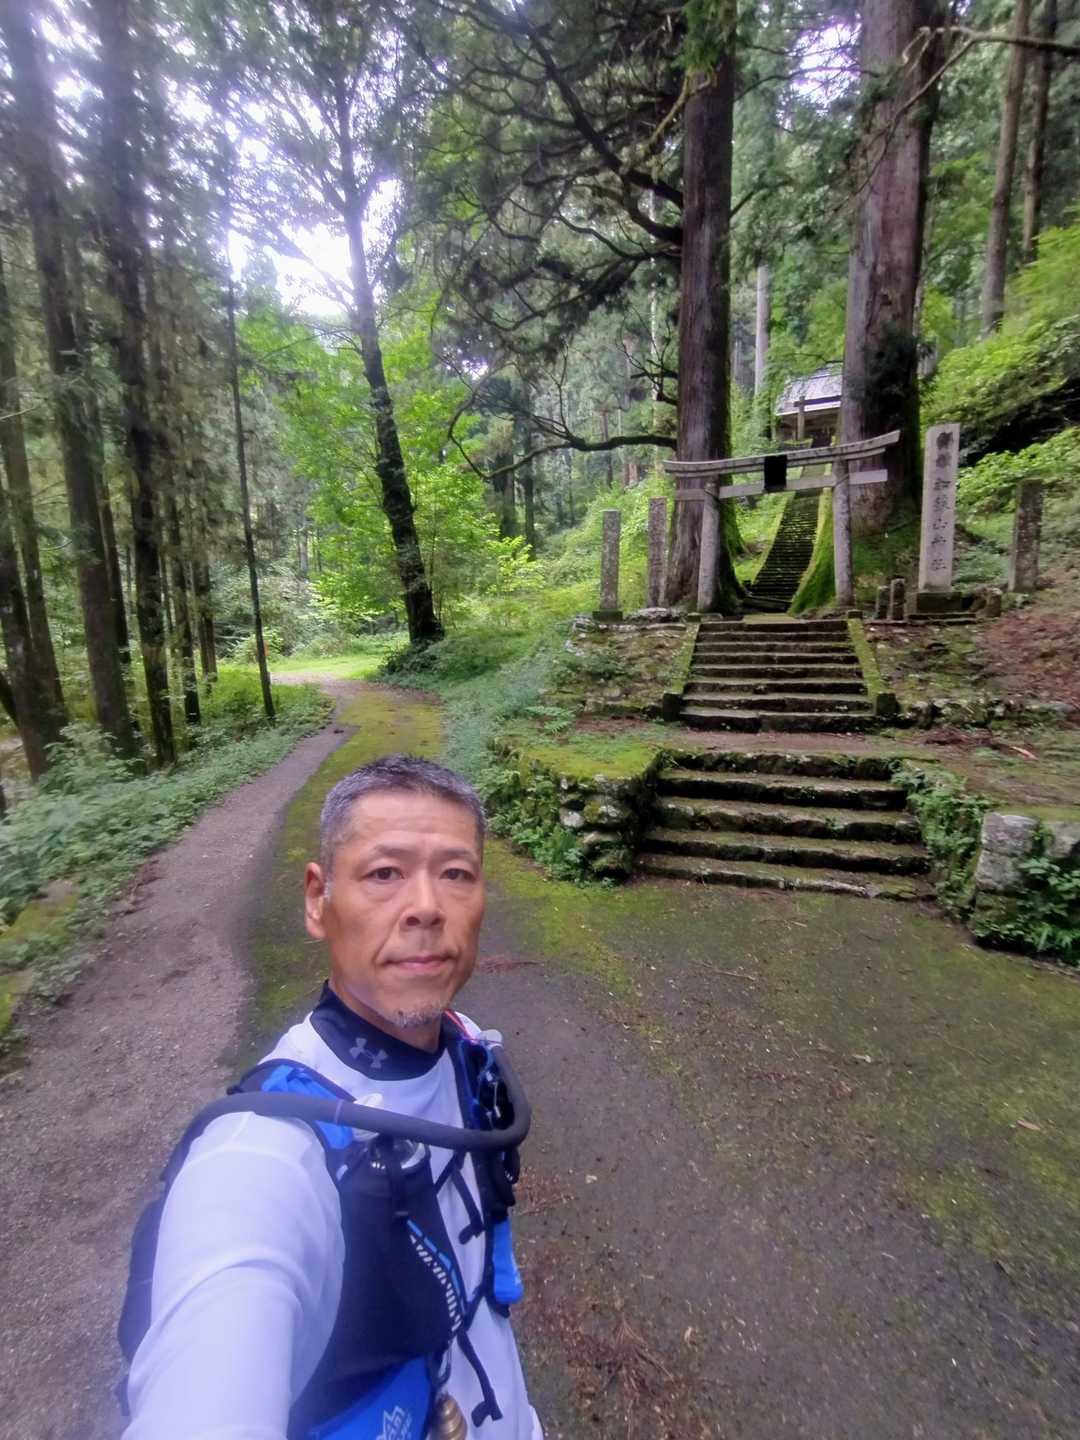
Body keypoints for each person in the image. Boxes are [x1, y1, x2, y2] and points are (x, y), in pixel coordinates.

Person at [121, 754, 540, 1439]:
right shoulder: (261, 1159)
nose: (427, 907)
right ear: (318, 900)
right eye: (385, 873)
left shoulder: (465, 1045)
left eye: (456, 874)